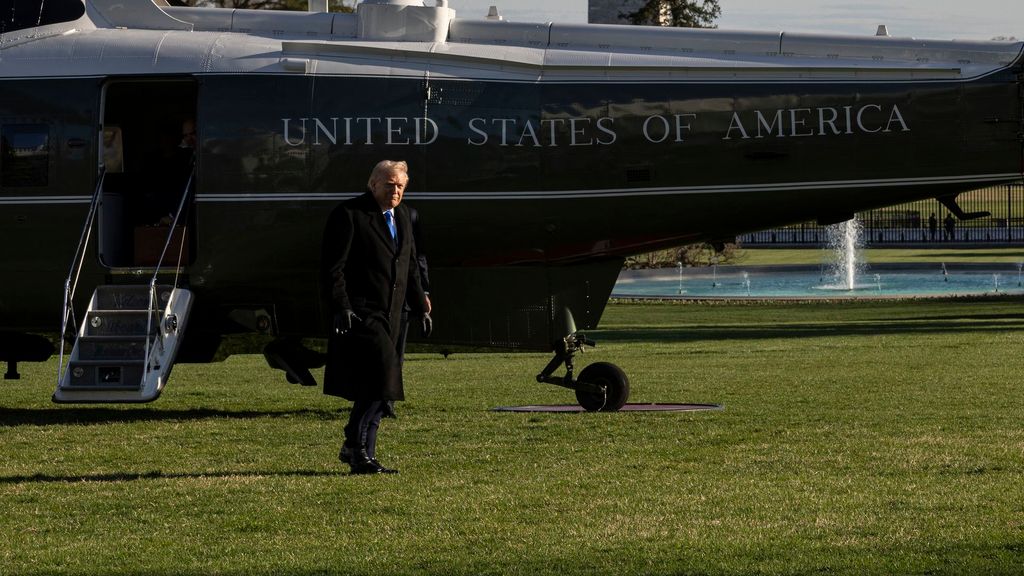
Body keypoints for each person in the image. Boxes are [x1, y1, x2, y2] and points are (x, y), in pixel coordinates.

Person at [321, 160, 431, 475]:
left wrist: (420, 305)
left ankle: (360, 451)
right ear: (373, 183)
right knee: (384, 377)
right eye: (389, 184)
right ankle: (356, 446)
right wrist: (341, 306)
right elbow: (334, 268)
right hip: (362, 311)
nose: (394, 190)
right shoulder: (350, 215)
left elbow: (408, 265)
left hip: (394, 312)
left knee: (379, 383)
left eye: (400, 185)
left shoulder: (404, 217)